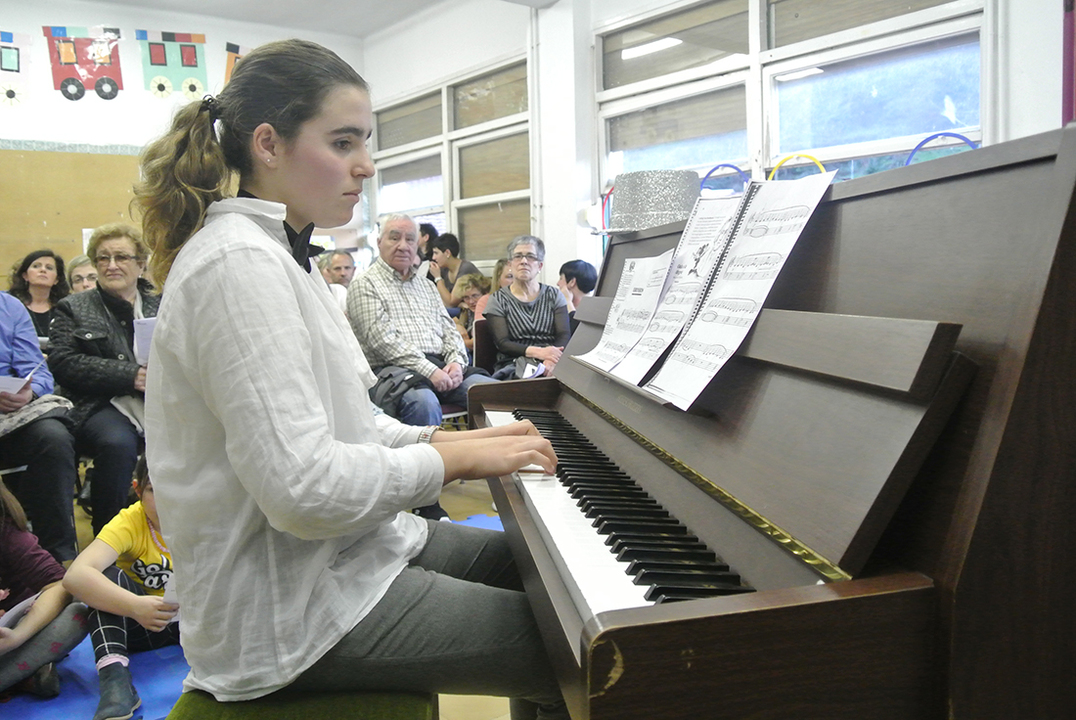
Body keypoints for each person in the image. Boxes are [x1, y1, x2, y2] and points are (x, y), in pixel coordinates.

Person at [134, 39, 566, 720]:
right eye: (342, 142)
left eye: (364, 141)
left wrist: (463, 441)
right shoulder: (237, 265)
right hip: (285, 609)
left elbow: (354, 426)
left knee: (548, 574)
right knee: (574, 650)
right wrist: (454, 462)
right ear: (269, 145)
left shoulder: (285, 255)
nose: (365, 164)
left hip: (350, 553)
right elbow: (303, 492)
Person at [48, 223, 160, 536]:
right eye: (103, 258)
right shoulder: (73, 307)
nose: (111, 265)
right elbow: (63, 362)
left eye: (121, 257)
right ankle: (109, 539)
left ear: (141, 263)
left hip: (160, 400)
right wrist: (131, 375)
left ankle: (173, 535)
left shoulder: (163, 302)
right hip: (98, 404)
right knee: (117, 444)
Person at [349, 214, 498, 428]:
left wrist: (456, 363)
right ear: (379, 242)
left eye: (410, 239)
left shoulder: (426, 286)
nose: (403, 246)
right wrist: (430, 371)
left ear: (417, 245)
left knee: (493, 392)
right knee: (424, 403)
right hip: (393, 371)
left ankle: (491, 450)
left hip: (441, 365)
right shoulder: (364, 284)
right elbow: (382, 341)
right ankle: (429, 452)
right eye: (394, 238)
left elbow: (449, 331)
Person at [63, 456, 179, 720]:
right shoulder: (130, 521)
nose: (165, 499)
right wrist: (134, 605)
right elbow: (75, 576)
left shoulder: (204, 516)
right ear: (137, 490)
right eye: (154, 490)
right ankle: (115, 679)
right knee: (103, 577)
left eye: (174, 487)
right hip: (145, 622)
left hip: (197, 623)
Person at [0, 292, 79, 563]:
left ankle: (55, 558)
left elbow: (37, 370)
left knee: (53, 438)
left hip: (9, 413)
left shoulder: (9, 307)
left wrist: (29, 393)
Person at [0, 484, 89, 698]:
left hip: (9, 638)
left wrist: (16, 637)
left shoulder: (5, 531)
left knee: (77, 615)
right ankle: (24, 675)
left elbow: (59, 585)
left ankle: (17, 673)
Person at [483, 236, 571, 378]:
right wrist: (540, 353)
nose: (524, 261)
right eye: (518, 256)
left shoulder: (554, 295)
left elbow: (564, 334)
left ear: (540, 266)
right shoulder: (497, 299)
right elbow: (502, 343)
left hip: (553, 359)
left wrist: (551, 359)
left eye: (530, 256)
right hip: (514, 362)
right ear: (510, 264)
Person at [8, 249, 69, 341]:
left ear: (56, 279)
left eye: (49, 268)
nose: (43, 270)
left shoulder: (65, 306)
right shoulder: (10, 304)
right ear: (25, 275)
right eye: (36, 266)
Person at [429, 233, 479, 308]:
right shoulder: (444, 269)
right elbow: (441, 300)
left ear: (447, 253)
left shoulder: (465, 269)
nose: (433, 257)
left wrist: (438, 278)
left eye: (436, 253)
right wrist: (459, 304)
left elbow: (450, 303)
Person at [451, 273, 491, 356]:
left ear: (485, 294)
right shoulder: (467, 311)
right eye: (466, 297)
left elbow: (474, 344)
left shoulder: (487, 312)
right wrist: (458, 326)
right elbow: (451, 322)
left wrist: (456, 341)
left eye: (475, 296)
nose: (471, 301)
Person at [556, 259, 598, 334]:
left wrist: (568, 301)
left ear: (572, 282)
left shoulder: (594, 312)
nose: (558, 283)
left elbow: (577, 333)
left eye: (561, 278)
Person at [475, 257, 512, 321]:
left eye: (517, 276)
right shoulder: (486, 301)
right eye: (510, 276)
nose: (515, 281)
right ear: (498, 279)